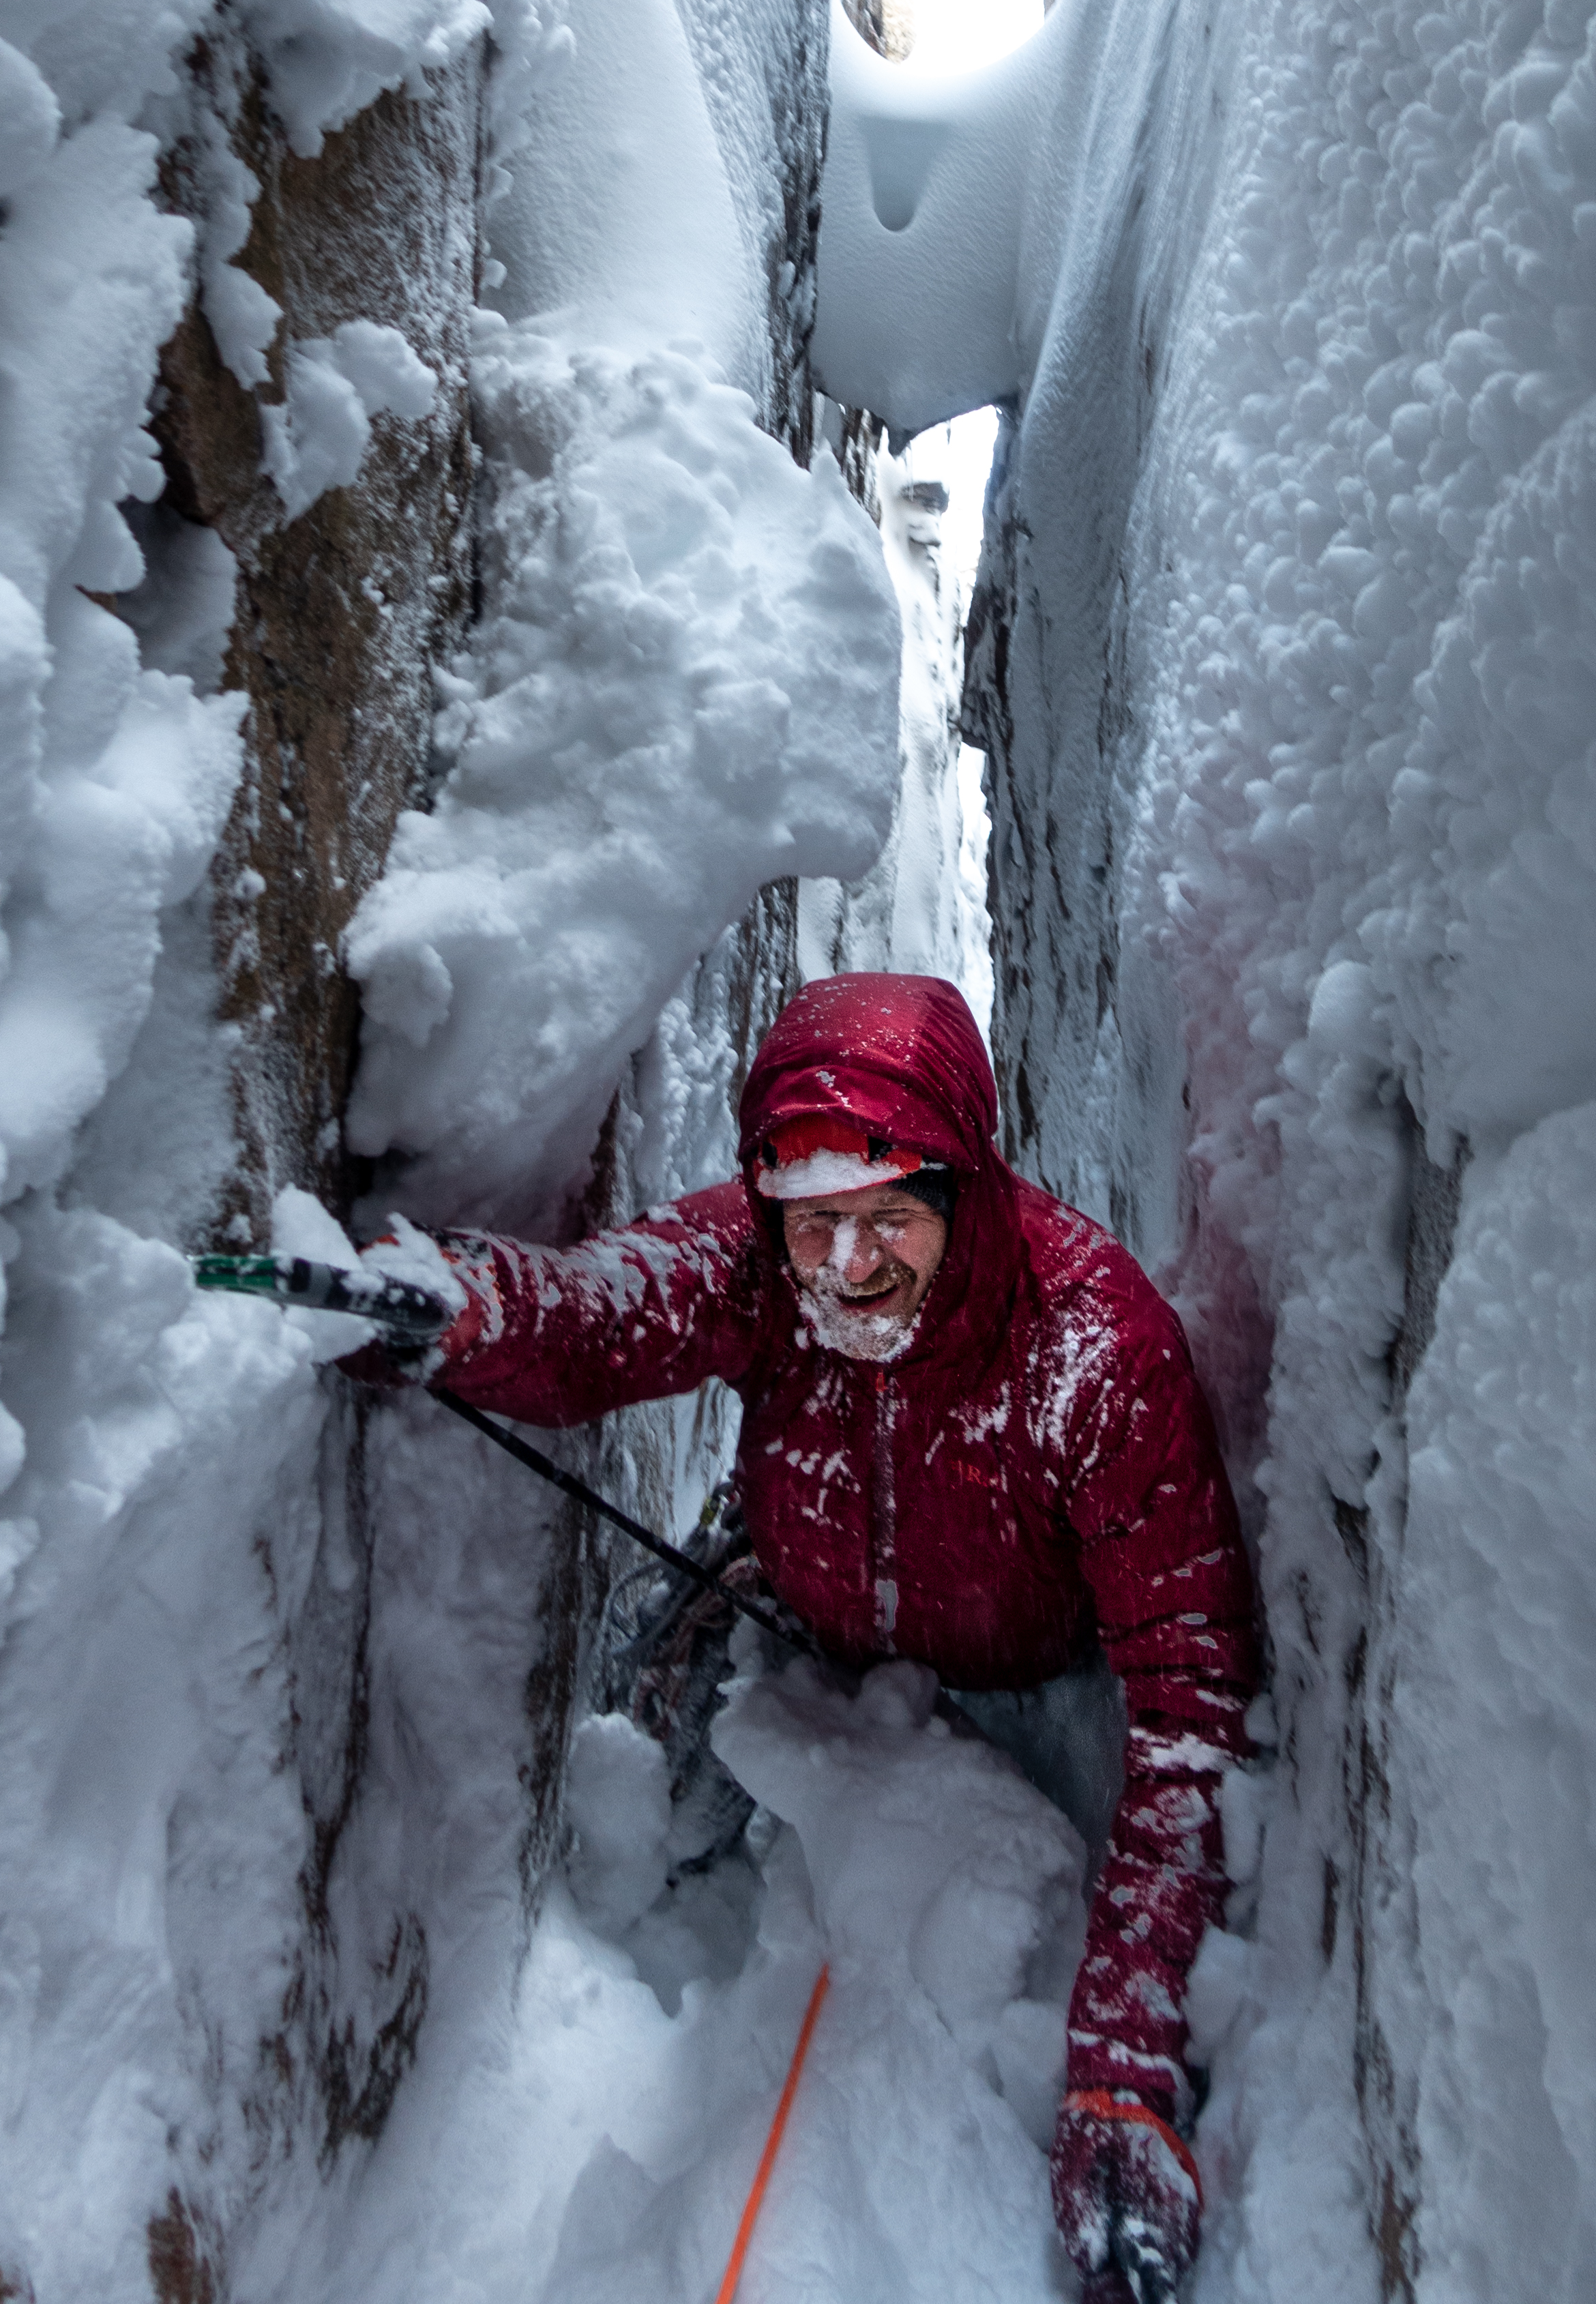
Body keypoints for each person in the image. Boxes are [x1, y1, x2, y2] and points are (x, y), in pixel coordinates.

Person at [349, 969, 1260, 2304]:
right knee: (633, 1859)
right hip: (792, 1626)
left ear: (966, 1187)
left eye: (889, 1219)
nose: (846, 1269)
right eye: (813, 1225)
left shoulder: (1093, 1352)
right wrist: (453, 1306)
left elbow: (1187, 1700)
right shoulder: (762, 1273)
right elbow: (608, 1315)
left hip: (1018, 1682)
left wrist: (1124, 2075)